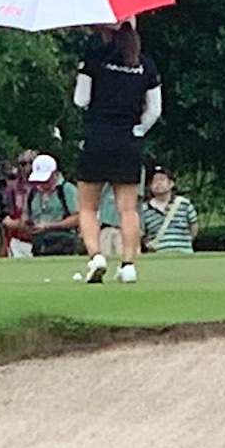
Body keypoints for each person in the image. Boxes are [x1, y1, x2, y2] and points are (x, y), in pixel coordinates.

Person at [73, 20, 161, 284]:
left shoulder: (94, 59)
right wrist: (138, 130)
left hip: (97, 138)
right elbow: (154, 110)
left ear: (105, 31)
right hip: (127, 141)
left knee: (88, 207)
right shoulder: (145, 64)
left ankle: (96, 256)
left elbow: (81, 99)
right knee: (128, 209)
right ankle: (128, 264)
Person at [4, 153, 81, 256]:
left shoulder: (67, 190)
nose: (41, 184)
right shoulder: (33, 193)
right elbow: (26, 216)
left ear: (54, 173)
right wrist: (26, 224)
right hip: (39, 243)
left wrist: (50, 226)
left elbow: (77, 218)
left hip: (64, 243)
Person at [138, 164, 198, 254]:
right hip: (158, 254)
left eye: (162, 180)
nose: (158, 183)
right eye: (154, 181)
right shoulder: (144, 209)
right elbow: (141, 233)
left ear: (171, 183)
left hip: (184, 252)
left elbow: (193, 228)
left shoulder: (184, 204)